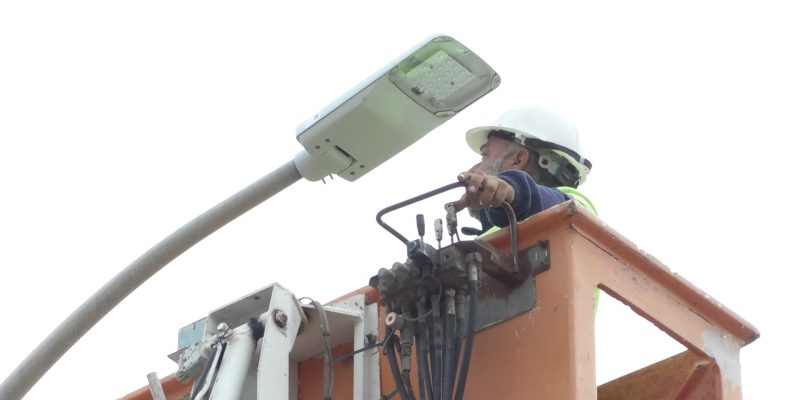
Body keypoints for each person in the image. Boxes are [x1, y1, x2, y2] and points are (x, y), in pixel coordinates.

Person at [454, 107, 597, 235]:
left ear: (518, 160)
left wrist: (514, 191)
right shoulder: (496, 234)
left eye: (485, 155)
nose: (473, 170)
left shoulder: (578, 210)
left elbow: (564, 207)